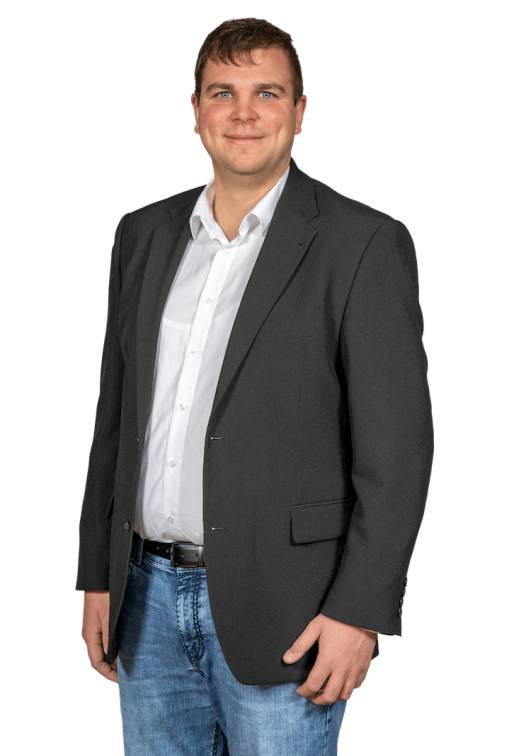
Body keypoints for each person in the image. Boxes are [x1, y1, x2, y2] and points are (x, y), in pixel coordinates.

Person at [77, 16, 434, 756]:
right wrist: (96, 577)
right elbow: (114, 419)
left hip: (289, 606)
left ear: (299, 111)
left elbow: (397, 452)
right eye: (223, 93)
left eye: (266, 93)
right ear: (195, 111)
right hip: (143, 601)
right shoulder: (142, 234)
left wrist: (359, 612)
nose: (243, 113)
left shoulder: (362, 243)